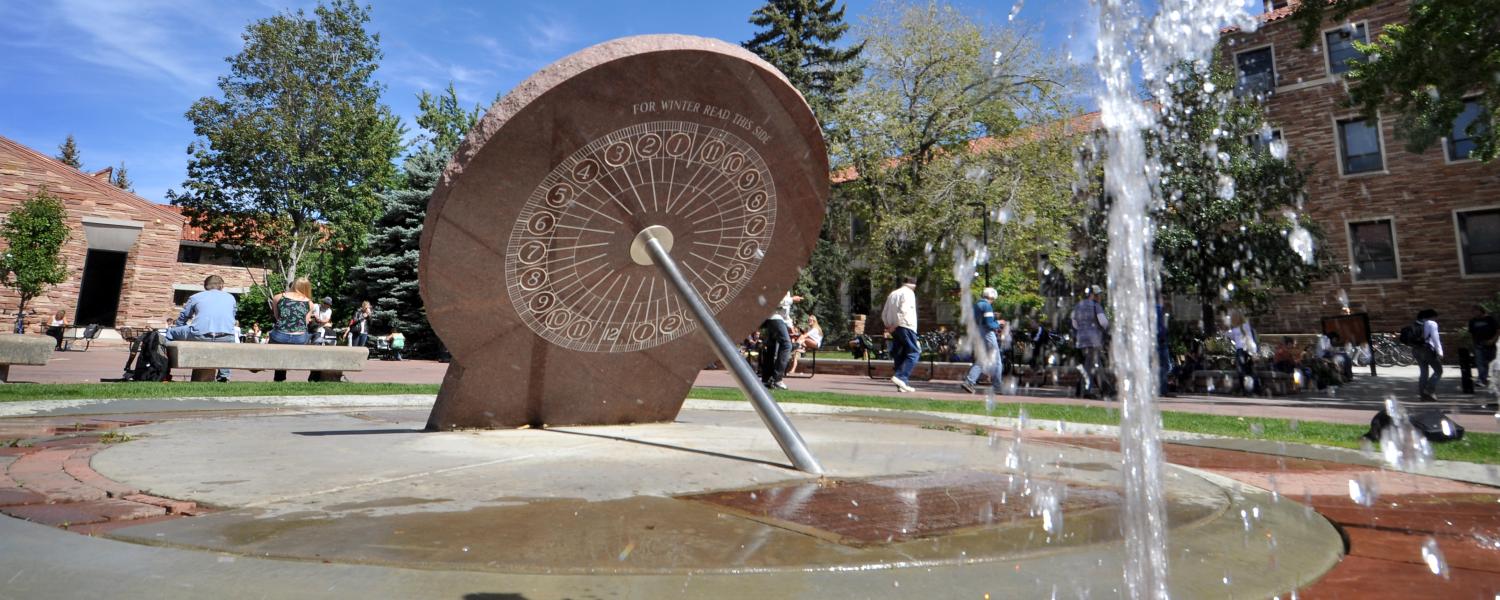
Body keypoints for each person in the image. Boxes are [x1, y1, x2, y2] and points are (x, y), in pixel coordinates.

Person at [164, 274, 239, 382]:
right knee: (228, 342)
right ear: (222, 286)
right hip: (225, 337)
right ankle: (224, 376)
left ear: (205, 286)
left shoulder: (196, 297)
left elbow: (184, 317)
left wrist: (181, 329)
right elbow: (232, 316)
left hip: (200, 335)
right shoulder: (230, 297)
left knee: (170, 333)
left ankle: (165, 371)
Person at [961, 287, 1006, 395]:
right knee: (997, 361)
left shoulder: (976, 305)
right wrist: (999, 323)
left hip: (978, 334)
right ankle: (997, 386)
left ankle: (969, 382)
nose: (993, 301)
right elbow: (989, 324)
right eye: (993, 299)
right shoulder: (987, 306)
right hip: (987, 334)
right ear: (991, 296)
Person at [269, 277, 315, 382]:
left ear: (293, 285)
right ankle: (313, 376)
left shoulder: (278, 297)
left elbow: (277, 317)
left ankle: (279, 378)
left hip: (280, 336)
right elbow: (306, 322)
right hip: (299, 338)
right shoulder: (310, 303)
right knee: (312, 339)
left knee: (276, 340)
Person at [882, 276, 919, 393]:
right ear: (914, 285)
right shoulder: (909, 293)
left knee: (900, 354)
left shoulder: (893, 294)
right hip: (906, 326)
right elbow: (904, 311)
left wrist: (889, 326)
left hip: (894, 328)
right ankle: (900, 377)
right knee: (914, 352)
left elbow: (884, 312)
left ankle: (902, 384)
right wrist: (896, 324)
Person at [759, 292, 802, 390]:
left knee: (771, 347)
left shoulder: (785, 287)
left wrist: (790, 326)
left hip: (774, 318)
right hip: (774, 318)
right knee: (787, 345)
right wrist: (792, 299)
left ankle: (766, 379)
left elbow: (784, 313)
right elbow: (775, 302)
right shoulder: (779, 284)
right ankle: (777, 379)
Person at [1071, 289, 1108, 398]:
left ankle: (1106, 388)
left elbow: (1074, 324)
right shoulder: (1096, 306)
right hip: (1093, 340)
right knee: (1089, 366)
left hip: (1081, 340)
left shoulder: (1078, 305)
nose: (1099, 297)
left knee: (1095, 364)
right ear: (1093, 295)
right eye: (1098, 295)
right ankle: (1086, 390)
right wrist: (1105, 330)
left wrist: (1082, 330)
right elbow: (1103, 322)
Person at [1224, 311, 1258, 395]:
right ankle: (1244, 389)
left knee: (1247, 370)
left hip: (1245, 350)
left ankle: (1251, 389)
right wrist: (1226, 330)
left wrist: (1254, 352)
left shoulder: (1245, 326)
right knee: (1241, 370)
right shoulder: (1235, 329)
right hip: (1240, 350)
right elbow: (1231, 336)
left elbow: (1249, 338)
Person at [1414, 308, 1443, 401]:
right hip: (1427, 349)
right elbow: (1435, 338)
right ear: (1432, 316)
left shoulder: (1416, 323)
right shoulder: (1431, 323)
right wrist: (1440, 352)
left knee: (1423, 373)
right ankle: (1429, 390)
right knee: (1438, 370)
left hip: (1416, 349)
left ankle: (1423, 395)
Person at [1468, 304, 1498, 388]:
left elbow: (1498, 330)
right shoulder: (1472, 321)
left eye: (1476, 311)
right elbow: (1471, 334)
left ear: (1481, 310)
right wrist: (1472, 344)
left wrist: (1492, 340)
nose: (1474, 313)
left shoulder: (1490, 319)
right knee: (1480, 363)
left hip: (1490, 344)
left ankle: (1492, 379)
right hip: (1478, 344)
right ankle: (1481, 379)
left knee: (1491, 362)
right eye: (1473, 311)